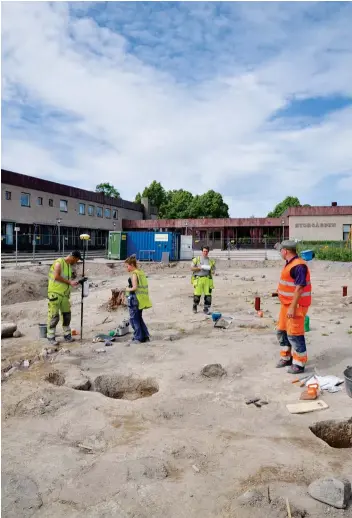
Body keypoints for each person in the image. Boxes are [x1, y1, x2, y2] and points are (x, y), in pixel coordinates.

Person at [276, 240, 312, 374]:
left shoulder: (299, 266)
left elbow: (299, 288)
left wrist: (292, 307)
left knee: (295, 334)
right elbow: (290, 284)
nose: (280, 252)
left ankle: (299, 363)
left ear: (285, 251)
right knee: (282, 331)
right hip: (287, 304)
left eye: (281, 250)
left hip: (296, 305)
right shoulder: (290, 264)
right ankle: (286, 357)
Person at [47, 250, 82, 346]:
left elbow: (66, 280)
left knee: (66, 315)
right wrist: (70, 282)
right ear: (73, 257)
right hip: (55, 293)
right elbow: (56, 276)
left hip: (65, 295)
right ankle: (50, 336)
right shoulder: (59, 263)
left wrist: (73, 282)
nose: (76, 262)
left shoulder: (68, 266)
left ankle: (67, 335)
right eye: (77, 260)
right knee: (54, 316)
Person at [125, 256, 152, 344]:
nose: (126, 268)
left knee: (134, 319)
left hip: (134, 299)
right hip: (141, 299)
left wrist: (126, 289)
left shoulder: (134, 274)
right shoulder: (141, 273)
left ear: (132, 265)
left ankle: (138, 338)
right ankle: (145, 336)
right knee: (139, 318)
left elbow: (134, 287)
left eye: (127, 266)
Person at [191, 246, 216, 314]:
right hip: (199, 279)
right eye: (204, 251)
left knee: (208, 296)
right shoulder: (197, 259)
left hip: (207, 280)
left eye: (206, 251)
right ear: (202, 251)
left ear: (208, 252)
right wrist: (199, 268)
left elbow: (213, 271)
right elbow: (192, 268)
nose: (205, 252)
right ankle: (195, 306)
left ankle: (206, 308)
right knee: (197, 295)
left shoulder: (211, 261)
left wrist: (211, 269)